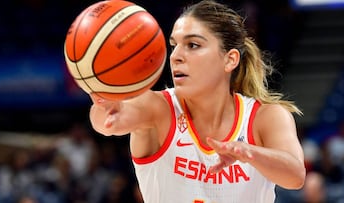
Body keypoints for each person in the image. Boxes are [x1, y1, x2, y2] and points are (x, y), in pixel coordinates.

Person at [89, 0, 306, 202]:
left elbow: (295, 176)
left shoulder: (265, 117)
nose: (176, 56)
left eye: (192, 45)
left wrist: (248, 152)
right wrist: (104, 103)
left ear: (230, 59)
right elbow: (110, 120)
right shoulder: (158, 108)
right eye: (174, 45)